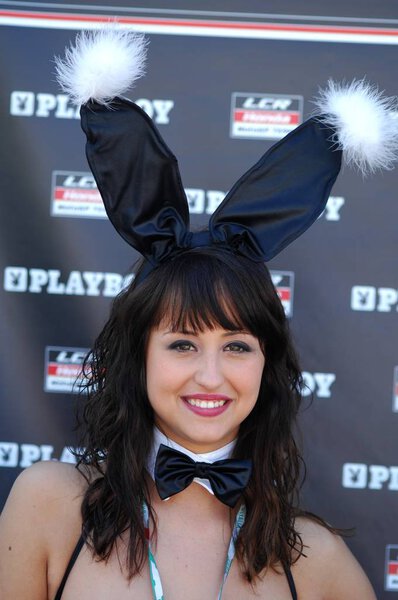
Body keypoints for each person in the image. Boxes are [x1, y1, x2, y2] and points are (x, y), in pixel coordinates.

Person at [1, 27, 395, 599]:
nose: (211, 376)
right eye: (182, 343)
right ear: (138, 356)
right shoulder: (48, 505)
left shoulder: (314, 561)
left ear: (267, 363)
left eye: (237, 345)